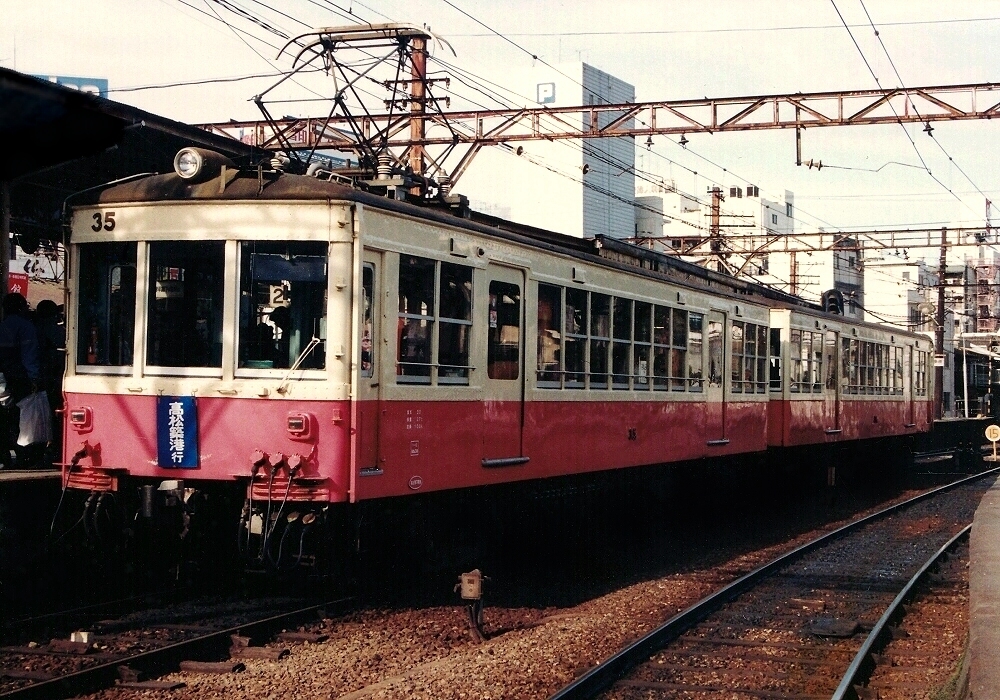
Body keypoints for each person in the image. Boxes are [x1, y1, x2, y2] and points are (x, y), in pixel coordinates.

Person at [0, 293, 41, 467]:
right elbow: (28, 356)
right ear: (20, 307)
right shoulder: (26, 327)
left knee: (3, 417)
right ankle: (23, 453)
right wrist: (34, 378)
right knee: (22, 417)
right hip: (18, 378)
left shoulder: (2, 326)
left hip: (3, 375)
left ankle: (3, 455)